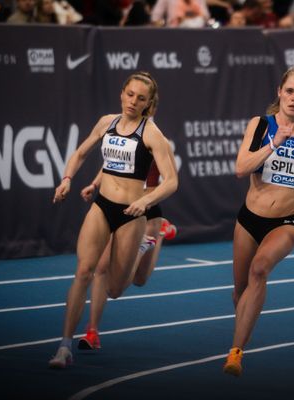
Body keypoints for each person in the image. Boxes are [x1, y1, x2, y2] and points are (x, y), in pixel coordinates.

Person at [48, 71, 178, 369]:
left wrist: (145, 201)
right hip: (103, 206)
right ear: (122, 93)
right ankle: (64, 347)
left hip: (132, 213)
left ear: (148, 104)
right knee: (84, 271)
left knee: (116, 289)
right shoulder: (107, 122)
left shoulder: (152, 134)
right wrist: (67, 179)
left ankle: (148, 242)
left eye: (141, 98)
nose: (133, 101)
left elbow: (172, 181)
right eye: (130, 94)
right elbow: (82, 153)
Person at [222, 66, 294, 377]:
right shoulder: (260, 125)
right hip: (248, 219)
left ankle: (235, 352)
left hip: (286, 222)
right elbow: (241, 168)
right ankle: (243, 331)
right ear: (279, 92)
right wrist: (274, 143)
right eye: (290, 91)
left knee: (260, 270)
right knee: (239, 291)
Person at [76, 160, 178, 350]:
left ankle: (158, 234)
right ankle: (92, 331)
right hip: (120, 206)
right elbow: (109, 162)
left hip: (147, 210)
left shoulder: (155, 138)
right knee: (101, 267)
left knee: (138, 280)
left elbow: (172, 180)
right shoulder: (120, 135)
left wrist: (149, 197)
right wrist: (95, 184)